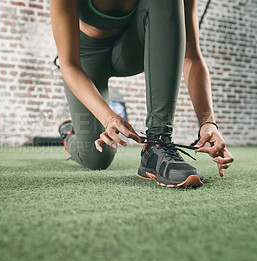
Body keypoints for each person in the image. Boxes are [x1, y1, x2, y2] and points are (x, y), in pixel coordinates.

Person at [50, 0, 234, 187]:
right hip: (86, 58)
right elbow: (69, 65)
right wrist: (108, 117)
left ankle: (157, 143)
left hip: (130, 50)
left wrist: (208, 123)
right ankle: (69, 133)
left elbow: (191, 56)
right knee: (96, 158)